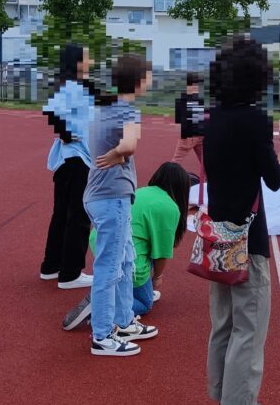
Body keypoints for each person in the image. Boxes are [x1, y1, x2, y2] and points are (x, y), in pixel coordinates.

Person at [204, 36, 280, 405]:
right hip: (246, 237)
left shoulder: (214, 118)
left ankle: (229, 399)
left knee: (223, 322)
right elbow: (276, 179)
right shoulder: (256, 121)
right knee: (249, 327)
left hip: (218, 233)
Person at [84, 54, 158, 356]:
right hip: (110, 198)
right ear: (140, 80)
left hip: (108, 197)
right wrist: (119, 153)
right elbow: (130, 144)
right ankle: (102, 335)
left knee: (126, 260)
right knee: (109, 268)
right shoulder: (128, 111)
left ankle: (124, 319)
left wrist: (119, 154)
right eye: (149, 75)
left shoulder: (104, 108)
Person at [64, 162, 192, 330]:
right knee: (145, 303)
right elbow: (161, 252)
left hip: (101, 239)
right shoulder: (170, 207)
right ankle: (102, 307)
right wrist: (157, 278)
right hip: (127, 251)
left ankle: (106, 298)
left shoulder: (141, 191)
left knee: (131, 265)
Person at [40, 44, 97, 290]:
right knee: (79, 216)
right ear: (77, 62)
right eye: (87, 57)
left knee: (61, 214)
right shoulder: (78, 88)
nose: (91, 60)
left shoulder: (64, 85)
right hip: (79, 159)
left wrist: (63, 133)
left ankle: (51, 266)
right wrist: (66, 133)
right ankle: (71, 272)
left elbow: (51, 112)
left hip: (65, 159)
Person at [174, 72, 207, 168]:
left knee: (177, 160)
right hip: (200, 134)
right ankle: (209, 181)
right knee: (205, 161)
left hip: (189, 134)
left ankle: (169, 178)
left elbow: (179, 121)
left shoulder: (183, 98)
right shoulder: (200, 97)